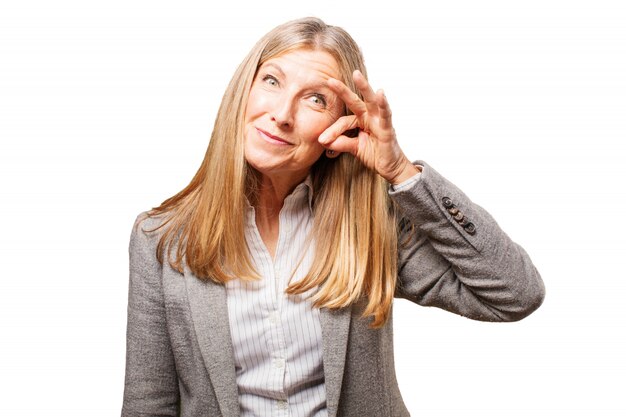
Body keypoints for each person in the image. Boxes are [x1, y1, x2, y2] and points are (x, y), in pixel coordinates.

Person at [121, 16, 545, 417]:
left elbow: (515, 293)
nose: (282, 115)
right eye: (272, 81)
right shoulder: (160, 239)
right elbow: (148, 403)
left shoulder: (369, 228)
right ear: (242, 93)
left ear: (341, 128)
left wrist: (402, 173)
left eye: (315, 99)